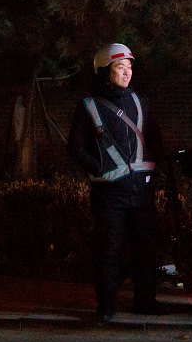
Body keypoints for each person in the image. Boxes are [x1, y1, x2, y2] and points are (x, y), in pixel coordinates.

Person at [68, 43, 166, 323]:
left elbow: (155, 139)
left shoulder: (141, 101)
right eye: (119, 68)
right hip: (109, 194)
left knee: (145, 249)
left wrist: (157, 170)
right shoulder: (88, 106)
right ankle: (106, 306)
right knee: (108, 250)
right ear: (103, 72)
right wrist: (99, 167)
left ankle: (145, 302)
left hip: (142, 190)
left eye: (130, 67)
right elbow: (75, 148)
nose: (127, 73)